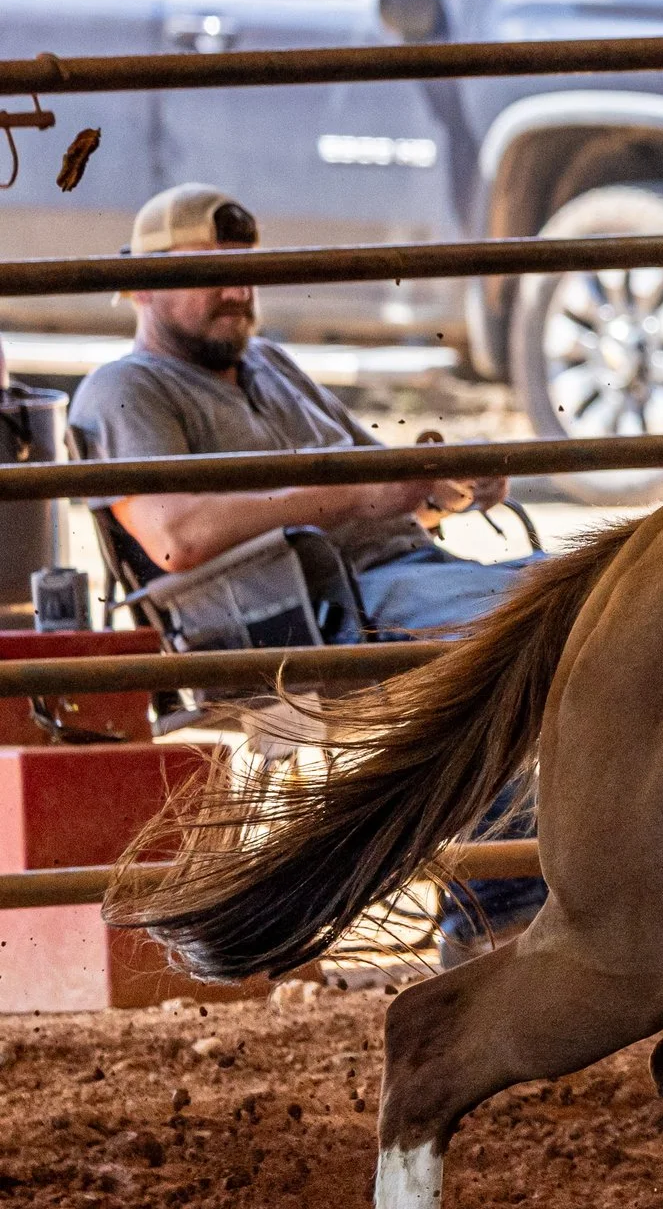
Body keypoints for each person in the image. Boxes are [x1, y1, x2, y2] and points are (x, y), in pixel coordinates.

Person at [68, 182, 543, 964]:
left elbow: (384, 497)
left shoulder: (273, 364)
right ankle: (506, 906)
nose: (237, 290)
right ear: (143, 284)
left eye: (246, 270)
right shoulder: (125, 389)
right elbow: (173, 536)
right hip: (300, 613)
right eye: (209, 272)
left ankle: (529, 886)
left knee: (585, 587)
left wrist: (442, 483)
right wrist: (357, 493)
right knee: (552, 612)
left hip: (397, 575)